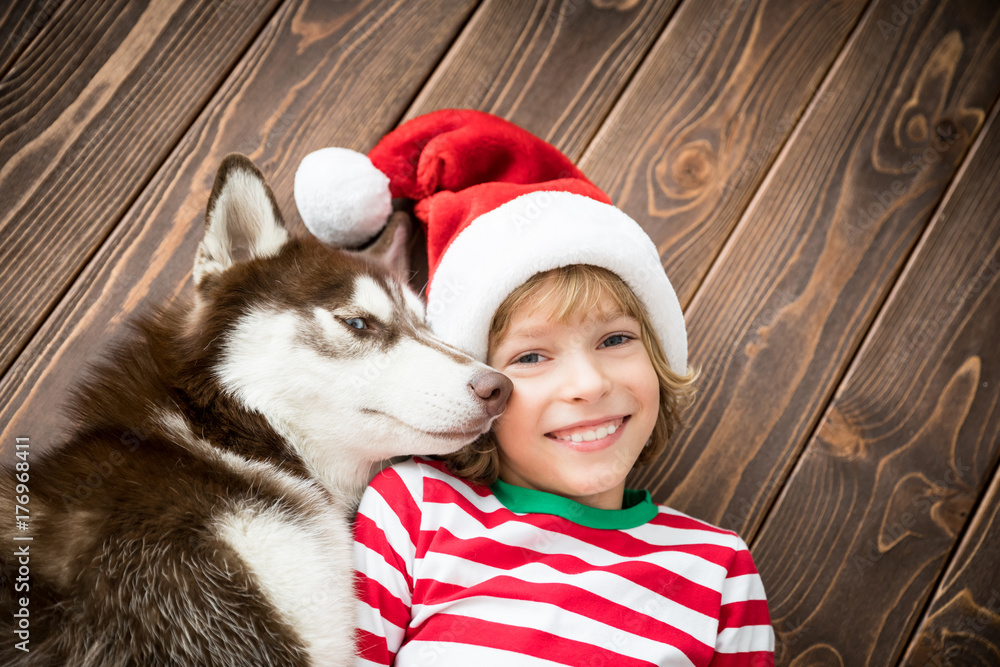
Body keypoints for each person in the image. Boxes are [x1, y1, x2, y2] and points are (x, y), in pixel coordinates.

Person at [295, 108, 776, 666]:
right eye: (530, 355)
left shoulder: (719, 571)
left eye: (616, 339)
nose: (589, 384)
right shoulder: (418, 510)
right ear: (477, 394)